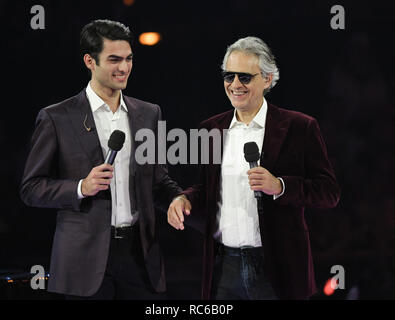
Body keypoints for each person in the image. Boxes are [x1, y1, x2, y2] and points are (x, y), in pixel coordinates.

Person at [167, 36, 340, 300]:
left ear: (267, 80)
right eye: (229, 76)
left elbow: (329, 192)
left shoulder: (299, 127)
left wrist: (280, 186)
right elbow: (204, 188)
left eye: (245, 77)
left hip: (277, 268)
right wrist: (184, 199)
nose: (235, 85)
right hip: (224, 266)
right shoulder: (210, 129)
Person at [20, 19, 182, 299]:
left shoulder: (149, 114)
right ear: (89, 61)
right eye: (114, 60)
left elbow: (158, 181)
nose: (124, 68)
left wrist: (176, 198)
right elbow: (31, 189)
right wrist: (81, 186)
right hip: (83, 262)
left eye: (129, 59)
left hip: (140, 259)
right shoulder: (56, 117)